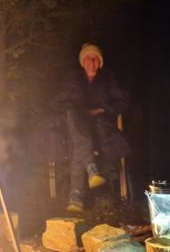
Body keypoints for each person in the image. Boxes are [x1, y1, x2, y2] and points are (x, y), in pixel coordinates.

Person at [52, 43, 131, 212]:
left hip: (99, 126)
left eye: (95, 58)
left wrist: (102, 109)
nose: (92, 61)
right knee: (74, 117)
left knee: (79, 145)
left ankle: (76, 198)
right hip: (75, 124)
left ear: (100, 62)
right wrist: (75, 108)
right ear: (83, 62)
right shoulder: (73, 81)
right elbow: (57, 103)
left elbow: (123, 101)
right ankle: (91, 171)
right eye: (88, 58)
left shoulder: (109, 79)